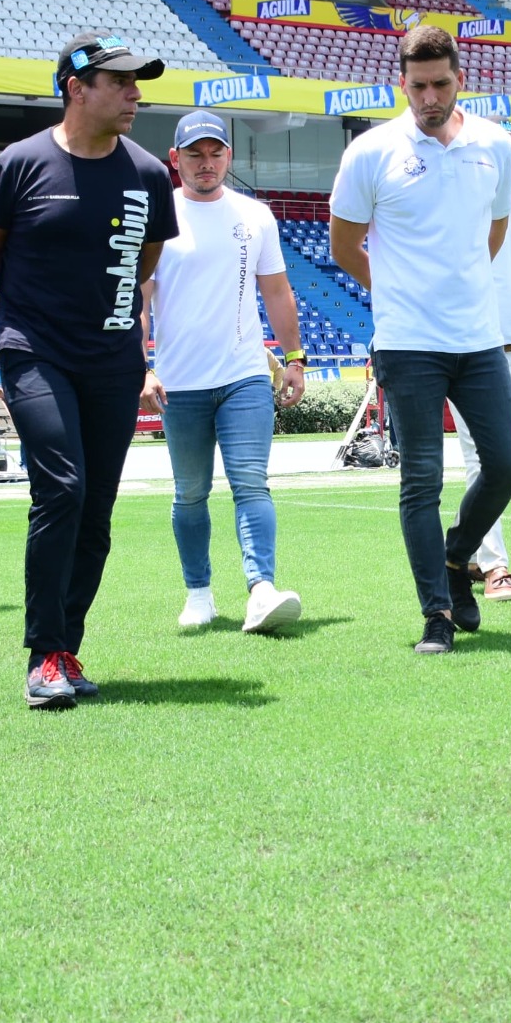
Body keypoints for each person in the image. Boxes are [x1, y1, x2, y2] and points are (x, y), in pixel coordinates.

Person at [0, 31, 174, 707]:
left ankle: (65, 647)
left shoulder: (146, 173)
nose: (134, 94)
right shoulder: (18, 164)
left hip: (112, 361)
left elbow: (145, 262)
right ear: (76, 87)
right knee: (62, 488)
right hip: (35, 350)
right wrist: (40, 308)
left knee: (96, 513)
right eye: (120, 83)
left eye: (137, 83)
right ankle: (41, 654)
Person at [328, 22, 511, 655]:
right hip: (408, 342)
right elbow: (341, 245)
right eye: (418, 86)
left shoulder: (493, 145)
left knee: (507, 464)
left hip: (477, 337)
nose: (430, 97)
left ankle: (456, 556)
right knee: (422, 479)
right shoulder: (371, 152)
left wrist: (457, 286)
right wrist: (394, 290)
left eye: (441, 84)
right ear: (402, 84)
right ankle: (436, 615)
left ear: (460, 80)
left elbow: (493, 233)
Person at [145, 110, 306, 634]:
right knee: (190, 493)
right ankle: (199, 594)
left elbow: (276, 291)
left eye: (216, 153)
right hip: (180, 382)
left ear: (229, 157)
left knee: (251, 485)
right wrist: (141, 367)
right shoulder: (157, 216)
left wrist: (296, 358)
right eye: (195, 154)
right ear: (176, 159)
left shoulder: (256, 216)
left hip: (244, 377)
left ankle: (261, 589)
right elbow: (138, 300)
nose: (207, 163)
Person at [452, 119, 511, 603]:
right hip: (470, 347)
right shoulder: (462, 204)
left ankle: (463, 547)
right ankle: (494, 565)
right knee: (481, 459)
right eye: (503, 150)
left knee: (504, 462)